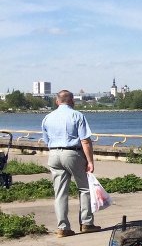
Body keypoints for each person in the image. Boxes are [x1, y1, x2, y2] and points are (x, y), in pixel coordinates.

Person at [41, 90, 99, 237]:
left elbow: (46, 140)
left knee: (60, 192)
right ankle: (86, 223)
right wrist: (90, 161)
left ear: (57, 101)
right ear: (72, 100)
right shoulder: (77, 115)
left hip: (54, 153)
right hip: (73, 152)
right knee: (84, 188)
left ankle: (62, 227)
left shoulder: (47, 117)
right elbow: (85, 140)